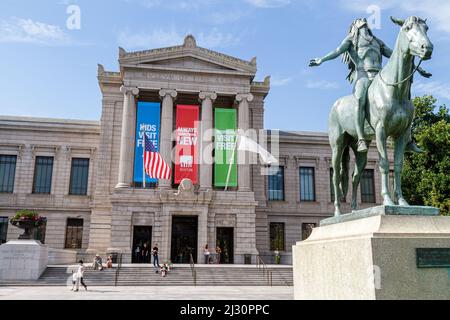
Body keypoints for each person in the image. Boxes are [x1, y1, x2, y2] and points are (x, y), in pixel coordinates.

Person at [309, 18, 430, 153]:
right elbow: (337, 51)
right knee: (359, 99)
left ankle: (407, 139)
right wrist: (322, 59)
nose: (364, 22)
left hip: (380, 76)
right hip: (363, 76)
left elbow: (395, 56)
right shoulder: (351, 40)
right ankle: (361, 138)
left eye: (365, 22)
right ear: (355, 26)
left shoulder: (377, 41)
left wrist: (418, 69)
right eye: (360, 22)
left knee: (404, 96)